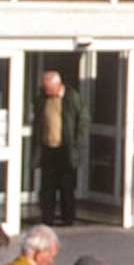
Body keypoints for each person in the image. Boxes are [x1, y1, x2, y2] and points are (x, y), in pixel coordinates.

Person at [34, 70, 89, 227]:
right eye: (44, 88)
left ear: (58, 85)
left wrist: (77, 145)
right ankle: (47, 218)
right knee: (47, 187)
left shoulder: (72, 97)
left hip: (65, 149)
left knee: (67, 187)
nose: (46, 91)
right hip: (48, 148)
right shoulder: (42, 98)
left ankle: (68, 218)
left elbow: (83, 121)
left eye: (49, 88)